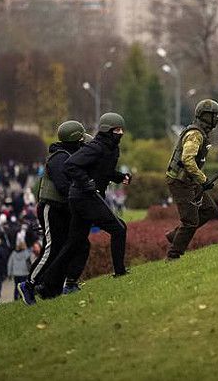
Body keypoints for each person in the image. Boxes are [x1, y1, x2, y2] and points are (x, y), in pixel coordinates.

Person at [37, 113, 131, 299]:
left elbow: (103, 171)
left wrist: (120, 177)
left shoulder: (111, 148)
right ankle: (119, 272)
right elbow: (70, 165)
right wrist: (86, 182)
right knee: (119, 229)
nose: (120, 133)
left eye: (121, 130)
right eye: (116, 130)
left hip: (82, 197)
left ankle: (46, 286)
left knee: (74, 243)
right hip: (84, 197)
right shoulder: (96, 147)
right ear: (106, 130)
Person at [18, 121, 91, 305]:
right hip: (52, 208)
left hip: (63, 208)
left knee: (70, 246)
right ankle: (29, 284)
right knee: (51, 248)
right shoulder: (59, 158)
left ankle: (53, 288)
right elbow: (63, 185)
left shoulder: (68, 154)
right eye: (80, 139)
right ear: (74, 138)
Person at [164, 99, 218, 261]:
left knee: (210, 209)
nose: (217, 119)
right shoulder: (195, 134)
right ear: (205, 116)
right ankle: (173, 255)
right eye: (214, 116)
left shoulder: (201, 133)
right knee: (190, 221)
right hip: (179, 182)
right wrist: (203, 180)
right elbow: (187, 160)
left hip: (190, 181)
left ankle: (175, 235)